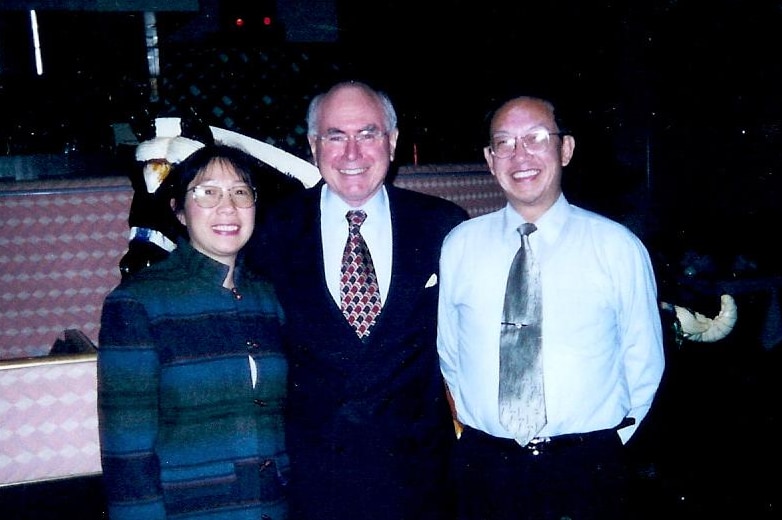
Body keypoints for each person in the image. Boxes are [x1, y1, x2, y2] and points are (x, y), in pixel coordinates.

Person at [246, 80, 469, 520]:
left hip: (419, 482)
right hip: (315, 481)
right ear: (313, 145)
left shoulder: (444, 227)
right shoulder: (271, 231)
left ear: (393, 141)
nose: (352, 154)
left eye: (367, 133)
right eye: (335, 136)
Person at [437, 95, 665, 520]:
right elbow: (450, 354)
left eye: (536, 138)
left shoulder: (616, 247)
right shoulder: (460, 246)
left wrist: (602, 448)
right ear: (490, 159)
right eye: (503, 142)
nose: (519, 154)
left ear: (566, 149)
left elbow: (644, 363)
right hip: (486, 469)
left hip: (585, 469)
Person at [97, 144, 289, 520]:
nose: (227, 207)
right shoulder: (139, 302)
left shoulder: (267, 295)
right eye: (207, 192)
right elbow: (127, 448)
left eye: (240, 192)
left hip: (273, 508)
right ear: (179, 211)